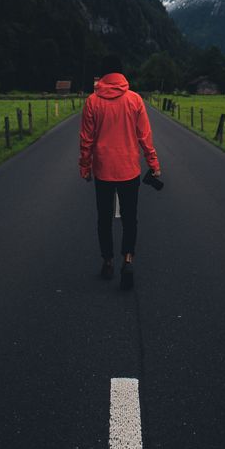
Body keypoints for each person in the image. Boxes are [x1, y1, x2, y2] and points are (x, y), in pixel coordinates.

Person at [79, 55, 161, 290]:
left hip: (103, 170)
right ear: (121, 74)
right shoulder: (135, 100)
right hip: (129, 170)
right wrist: (153, 164)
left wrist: (85, 167)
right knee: (129, 218)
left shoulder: (92, 102)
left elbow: (86, 140)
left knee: (104, 219)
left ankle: (107, 261)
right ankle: (128, 259)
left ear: (103, 75)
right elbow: (145, 137)